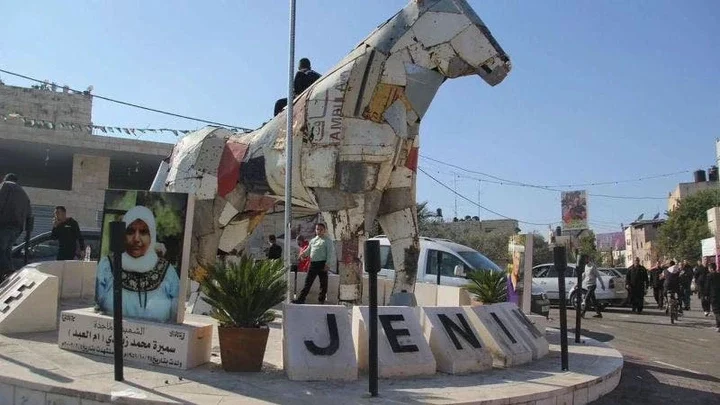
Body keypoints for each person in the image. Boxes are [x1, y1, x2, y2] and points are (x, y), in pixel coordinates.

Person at [95, 206, 180, 323]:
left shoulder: (167, 271)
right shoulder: (107, 266)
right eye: (130, 231)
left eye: (144, 232)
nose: (136, 239)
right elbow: (97, 308)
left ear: (152, 237)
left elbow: (176, 314)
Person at [292, 223, 335, 304]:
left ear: (324, 230)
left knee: (323, 283)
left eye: (321, 229)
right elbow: (308, 250)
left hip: (323, 264)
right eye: (317, 229)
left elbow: (330, 253)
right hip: (313, 264)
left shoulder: (328, 240)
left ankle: (321, 300)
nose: (319, 231)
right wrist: (303, 254)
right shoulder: (313, 240)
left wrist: (327, 264)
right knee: (307, 282)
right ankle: (301, 299)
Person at [0, 173, 32, 282]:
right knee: (7, 252)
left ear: (6, 179)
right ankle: (9, 274)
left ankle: (9, 272)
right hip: (17, 228)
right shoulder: (24, 193)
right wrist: (27, 233)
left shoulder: (6, 185)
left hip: (4, 225)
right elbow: (29, 214)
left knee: (2, 250)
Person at [705, 263, 720, 332]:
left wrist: (706, 295)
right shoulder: (719, 275)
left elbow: (707, 286)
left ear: (711, 269)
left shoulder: (709, 276)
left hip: (713, 295)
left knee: (716, 311)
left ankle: (718, 326)